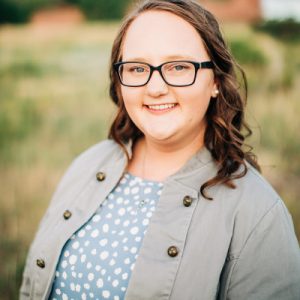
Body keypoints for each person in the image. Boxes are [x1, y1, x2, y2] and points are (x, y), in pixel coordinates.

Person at [20, 0, 300, 299]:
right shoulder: (87, 166)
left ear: (216, 80)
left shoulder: (257, 212)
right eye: (137, 68)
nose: (155, 88)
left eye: (179, 67)